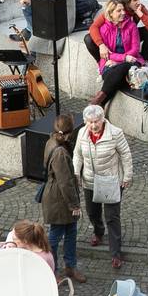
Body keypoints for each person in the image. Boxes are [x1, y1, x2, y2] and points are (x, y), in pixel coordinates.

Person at [73, 104, 133, 270]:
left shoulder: (115, 133)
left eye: (96, 121)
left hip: (111, 181)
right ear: (86, 121)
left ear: (103, 118)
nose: (93, 125)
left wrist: (127, 176)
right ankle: (98, 232)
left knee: (112, 217)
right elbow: (77, 155)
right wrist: (76, 173)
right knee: (92, 212)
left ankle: (115, 253)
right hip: (89, 180)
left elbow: (126, 155)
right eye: (90, 122)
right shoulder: (82, 133)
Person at [40, 114, 84, 283]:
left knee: (70, 232)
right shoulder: (60, 153)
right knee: (55, 236)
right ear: (69, 132)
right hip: (59, 200)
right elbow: (64, 182)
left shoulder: (52, 141)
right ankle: (53, 269)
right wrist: (74, 205)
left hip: (58, 196)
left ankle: (69, 267)